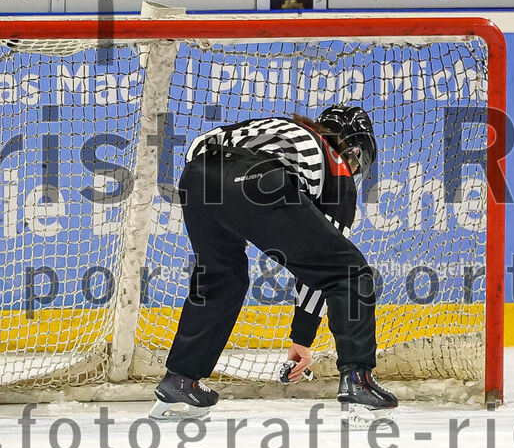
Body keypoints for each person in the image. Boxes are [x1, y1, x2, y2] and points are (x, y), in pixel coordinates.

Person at [151, 105, 398, 422]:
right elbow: (325, 273)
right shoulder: (335, 164)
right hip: (258, 177)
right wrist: (302, 337)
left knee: (222, 281)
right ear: (354, 150)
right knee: (350, 272)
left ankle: (180, 380)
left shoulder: (280, 127)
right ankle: (358, 380)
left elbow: (203, 146)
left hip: (196, 178)